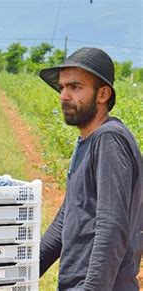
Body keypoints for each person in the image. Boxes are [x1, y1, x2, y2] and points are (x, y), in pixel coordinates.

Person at [39, 47, 142, 290]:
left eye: (75, 87)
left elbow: (111, 226)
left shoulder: (109, 139)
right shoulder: (88, 140)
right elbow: (67, 218)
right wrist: (24, 268)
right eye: (62, 87)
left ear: (103, 94)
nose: (64, 95)